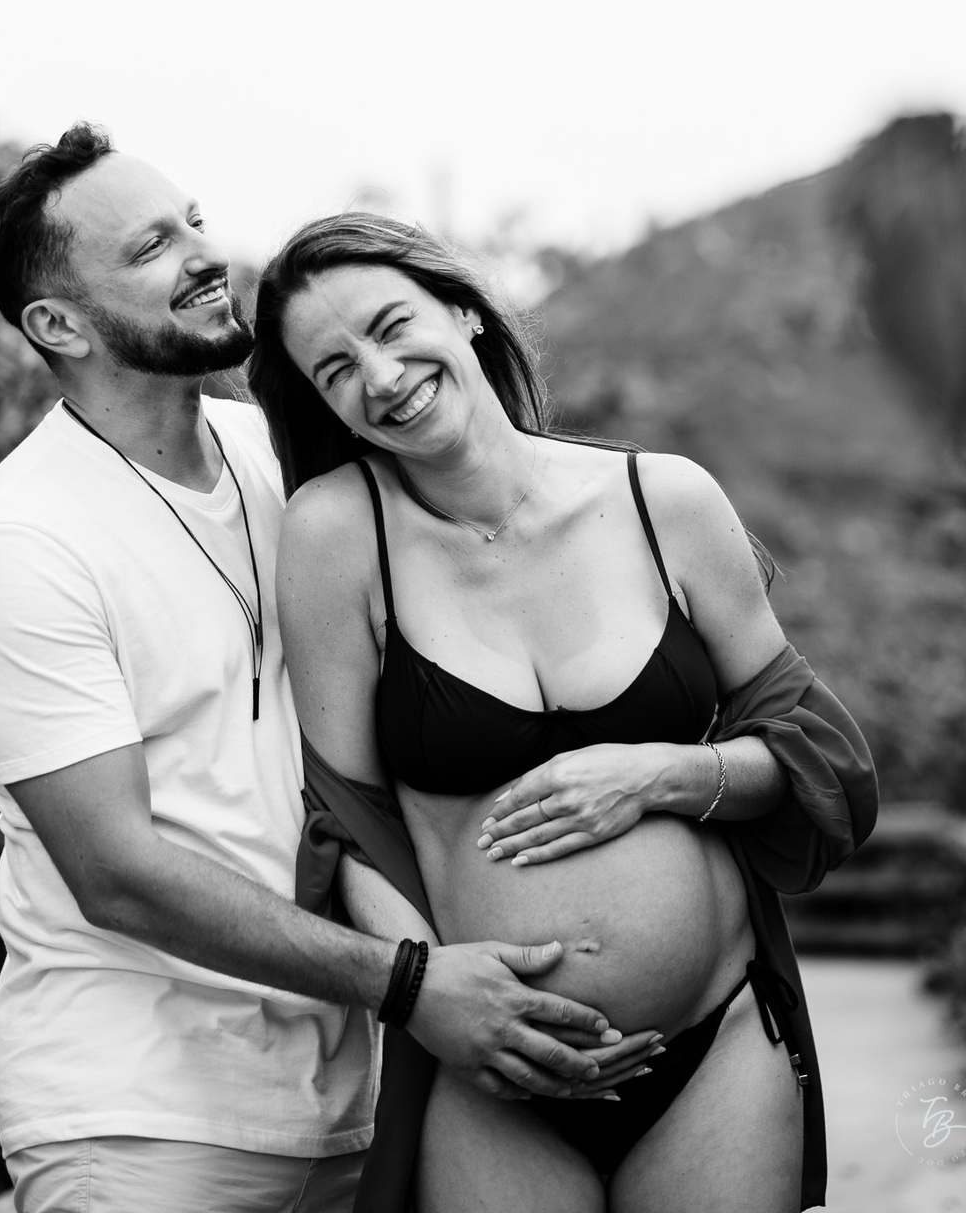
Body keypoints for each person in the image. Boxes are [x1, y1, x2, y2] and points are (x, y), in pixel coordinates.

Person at [0, 128, 647, 1213]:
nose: (202, 256)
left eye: (195, 223)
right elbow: (114, 870)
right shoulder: (21, 545)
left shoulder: (293, 469)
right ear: (57, 323)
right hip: (142, 1121)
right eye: (150, 249)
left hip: (361, 1096)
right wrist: (411, 985)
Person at [247, 212, 880, 1213]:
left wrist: (662, 775)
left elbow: (815, 751)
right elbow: (348, 821)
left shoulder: (662, 500)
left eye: (390, 325)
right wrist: (440, 997)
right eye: (334, 369)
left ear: (462, 310)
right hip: (496, 1072)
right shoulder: (338, 536)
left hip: (715, 1045)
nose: (378, 375)